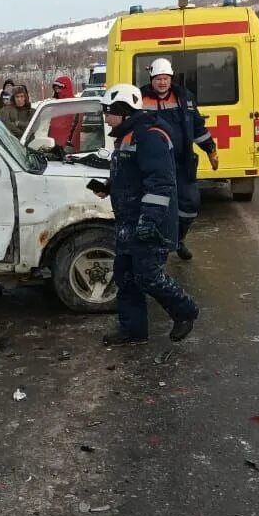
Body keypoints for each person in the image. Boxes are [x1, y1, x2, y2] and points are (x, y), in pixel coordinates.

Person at [95, 83, 198, 346]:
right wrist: (109, 187)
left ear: (123, 111)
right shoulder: (127, 136)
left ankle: (185, 311)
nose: (106, 117)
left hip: (149, 223)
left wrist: (149, 220)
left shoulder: (150, 136)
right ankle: (134, 330)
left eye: (108, 111)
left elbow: (160, 183)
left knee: (148, 276)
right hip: (129, 221)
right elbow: (134, 176)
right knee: (125, 275)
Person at [141, 58, 217, 261]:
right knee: (157, 207)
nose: (162, 82)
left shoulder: (185, 98)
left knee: (190, 204)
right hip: (154, 165)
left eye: (165, 78)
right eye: (158, 79)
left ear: (171, 78)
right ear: (152, 79)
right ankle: (160, 247)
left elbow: (198, 127)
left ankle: (179, 240)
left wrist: (210, 150)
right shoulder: (141, 99)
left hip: (183, 163)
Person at [47, 74, 84, 153]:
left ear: (66, 87)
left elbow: (76, 126)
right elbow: (51, 125)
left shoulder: (75, 104)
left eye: (59, 88)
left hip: (67, 145)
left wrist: (70, 143)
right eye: (55, 89)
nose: (57, 91)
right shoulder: (56, 104)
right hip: (54, 143)